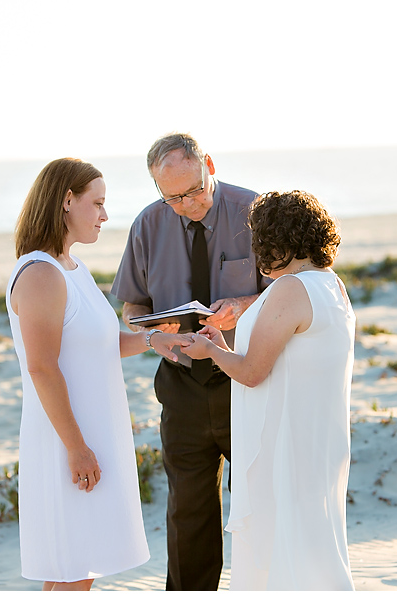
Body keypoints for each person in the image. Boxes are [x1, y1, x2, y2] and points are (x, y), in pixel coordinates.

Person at [6, 158, 190, 591]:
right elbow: (42, 367)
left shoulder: (72, 268)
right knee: (74, 572)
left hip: (91, 433)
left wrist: (151, 341)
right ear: (67, 201)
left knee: (75, 571)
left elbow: (97, 345)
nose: (106, 216)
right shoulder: (40, 275)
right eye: (98, 204)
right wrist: (76, 448)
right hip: (67, 438)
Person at [111, 133, 271, 590]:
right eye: (173, 197)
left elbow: (285, 291)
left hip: (246, 380)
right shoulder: (147, 225)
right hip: (181, 387)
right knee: (187, 515)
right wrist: (152, 338)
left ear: (210, 166)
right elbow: (134, 309)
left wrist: (240, 305)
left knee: (257, 508)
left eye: (194, 190)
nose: (187, 204)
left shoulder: (255, 212)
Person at [180, 190, 356, 590]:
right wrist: (224, 349)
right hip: (318, 443)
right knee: (312, 546)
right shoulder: (333, 286)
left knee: (283, 548)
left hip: (285, 447)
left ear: (278, 239)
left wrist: (209, 351)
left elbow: (253, 372)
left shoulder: (291, 289)